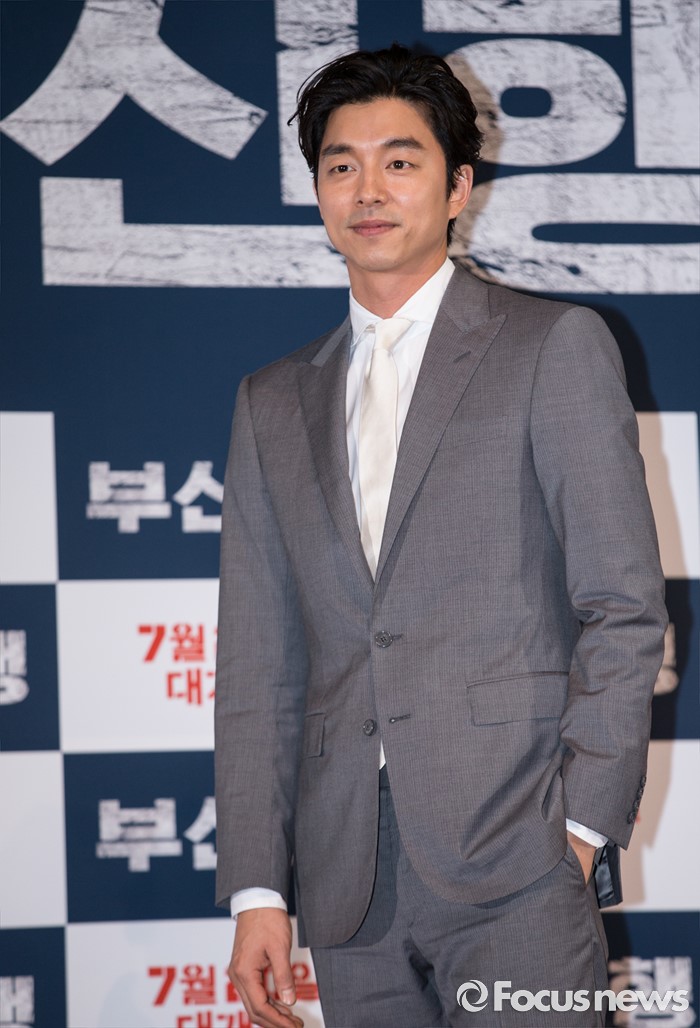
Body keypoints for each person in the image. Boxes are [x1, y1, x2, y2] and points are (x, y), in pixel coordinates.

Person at [214, 44, 666, 1028]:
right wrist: (258, 889)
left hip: (518, 859)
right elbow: (258, 664)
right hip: (345, 881)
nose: (367, 190)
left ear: (458, 185)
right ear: (318, 191)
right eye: (341, 165)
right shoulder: (270, 402)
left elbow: (624, 606)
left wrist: (580, 829)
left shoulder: (550, 346)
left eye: (400, 160)